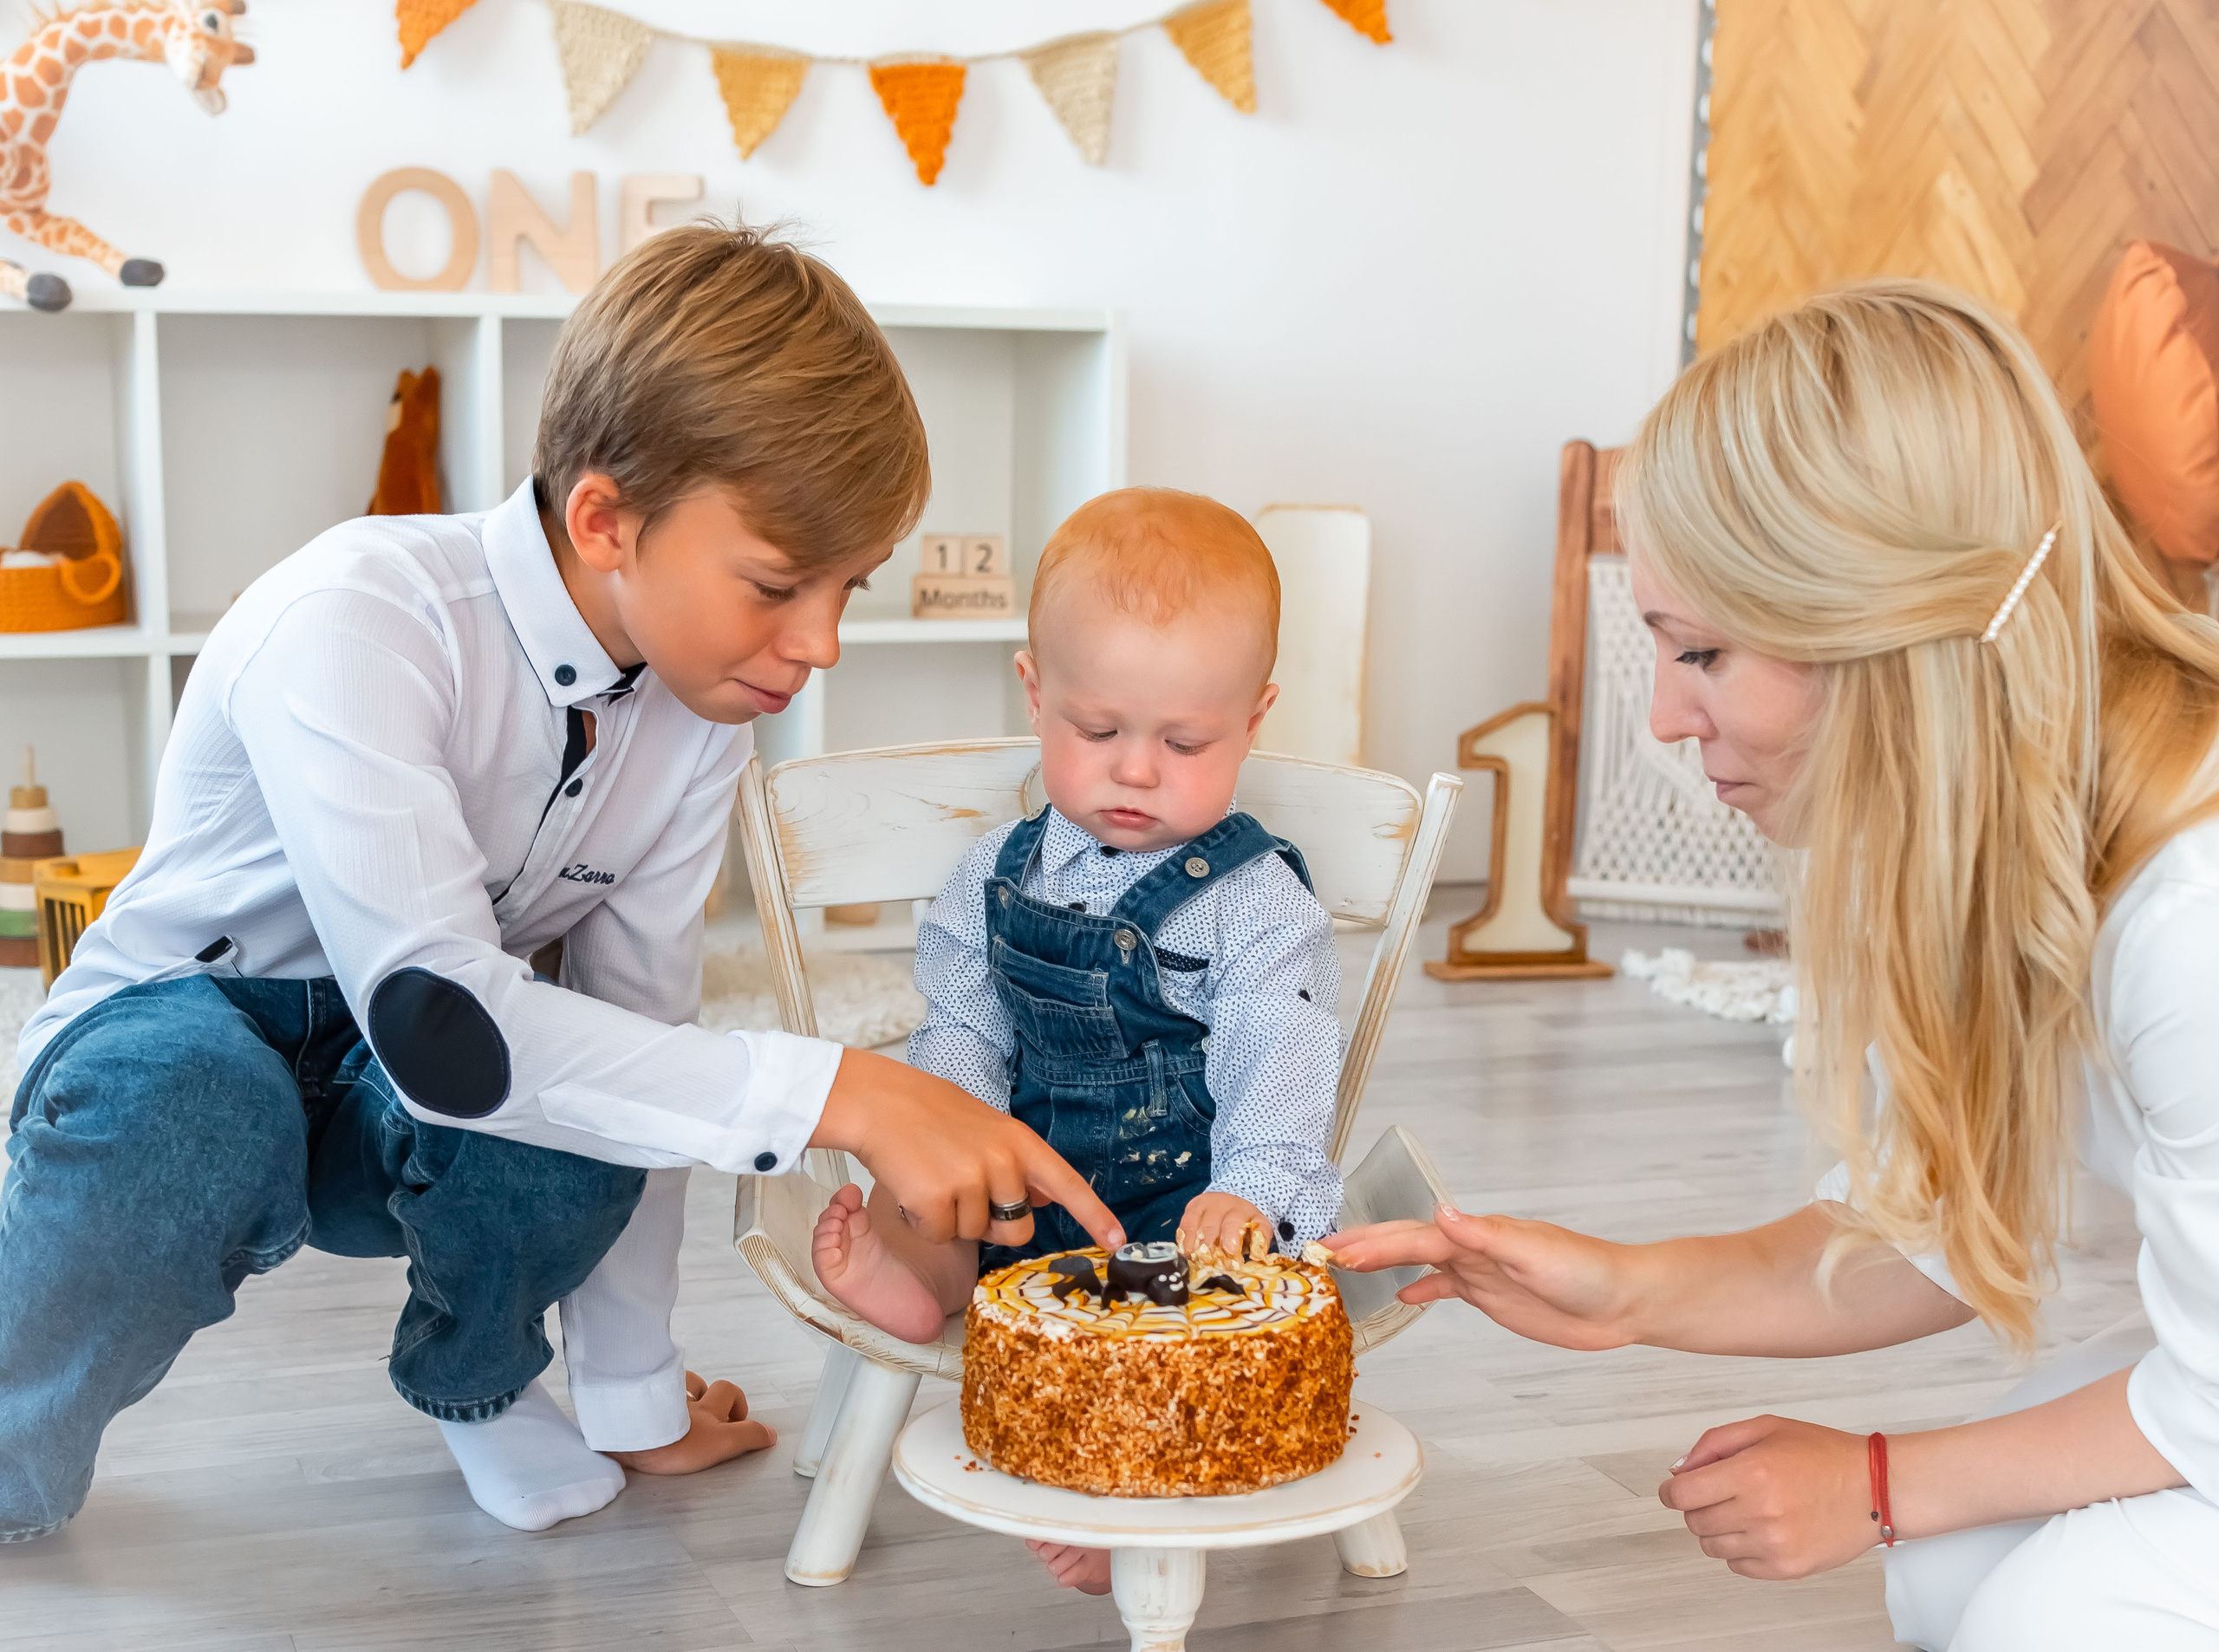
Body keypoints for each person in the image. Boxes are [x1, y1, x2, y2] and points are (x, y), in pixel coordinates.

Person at [0, 223, 1120, 1545]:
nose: (821, 641)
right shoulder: (357, 615)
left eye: (846, 587)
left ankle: (479, 1381)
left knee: (610, 1088)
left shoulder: (700, 722)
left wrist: (633, 1392)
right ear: (604, 520)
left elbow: (638, 1042)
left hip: (394, 1091)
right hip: (178, 1042)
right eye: (777, 583)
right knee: (201, 1111)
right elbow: (447, 1026)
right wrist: (853, 1090)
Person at [1329, 279, 2219, 1649]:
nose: (1666, 718)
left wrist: (1880, 1482)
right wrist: (1625, 1291)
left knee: (2051, 1616)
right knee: (1949, 1576)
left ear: (1881, 627)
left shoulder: (2188, 918)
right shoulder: (2014, 851)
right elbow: (1927, 1232)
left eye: (1703, 651)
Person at [812, 486, 1344, 1594]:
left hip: (1175, 1206)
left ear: (1254, 718)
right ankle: (922, 1281)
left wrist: (1248, 1189)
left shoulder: (1254, 903)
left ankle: (1119, 1500)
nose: (1136, 769)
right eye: (1097, 730)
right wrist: (951, 1137)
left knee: (1188, 1320)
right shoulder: (998, 869)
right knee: (920, 1191)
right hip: (1020, 1181)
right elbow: (963, 1016)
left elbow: (1280, 1058)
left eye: (1185, 741)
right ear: (1035, 691)